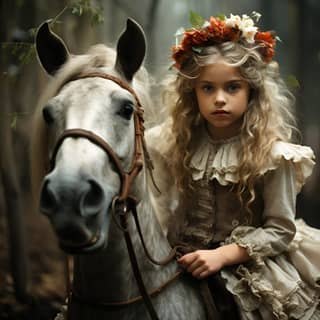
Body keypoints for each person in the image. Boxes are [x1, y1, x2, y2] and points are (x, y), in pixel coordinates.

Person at [146, 12, 320, 319]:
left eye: (232, 87)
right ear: (193, 93)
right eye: (208, 88)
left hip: (249, 265)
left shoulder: (271, 154)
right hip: (180, 258)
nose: (220, 99)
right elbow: (158, 203)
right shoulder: (175, 142)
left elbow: (280, 229)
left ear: (251, 91)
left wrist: (224, 255)